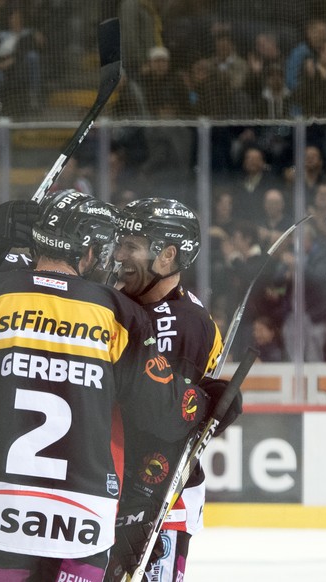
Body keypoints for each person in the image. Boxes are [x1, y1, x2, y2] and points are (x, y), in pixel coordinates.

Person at [0, 191, 228, 581]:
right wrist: (206, 402)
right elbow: (165, 414)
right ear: (89, 253)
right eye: (113, 247)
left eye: (130, 246)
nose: (118, 259)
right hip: (82, 524)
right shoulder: (118, 314)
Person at [106, 198, 227, 582]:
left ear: (167, 255)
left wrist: (142, 505)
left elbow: (172, 423)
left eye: (132, 246)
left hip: (160, 500)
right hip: (115, 490)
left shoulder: (186, 323)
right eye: (119, 242)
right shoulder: (120, 301)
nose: (119, 254)